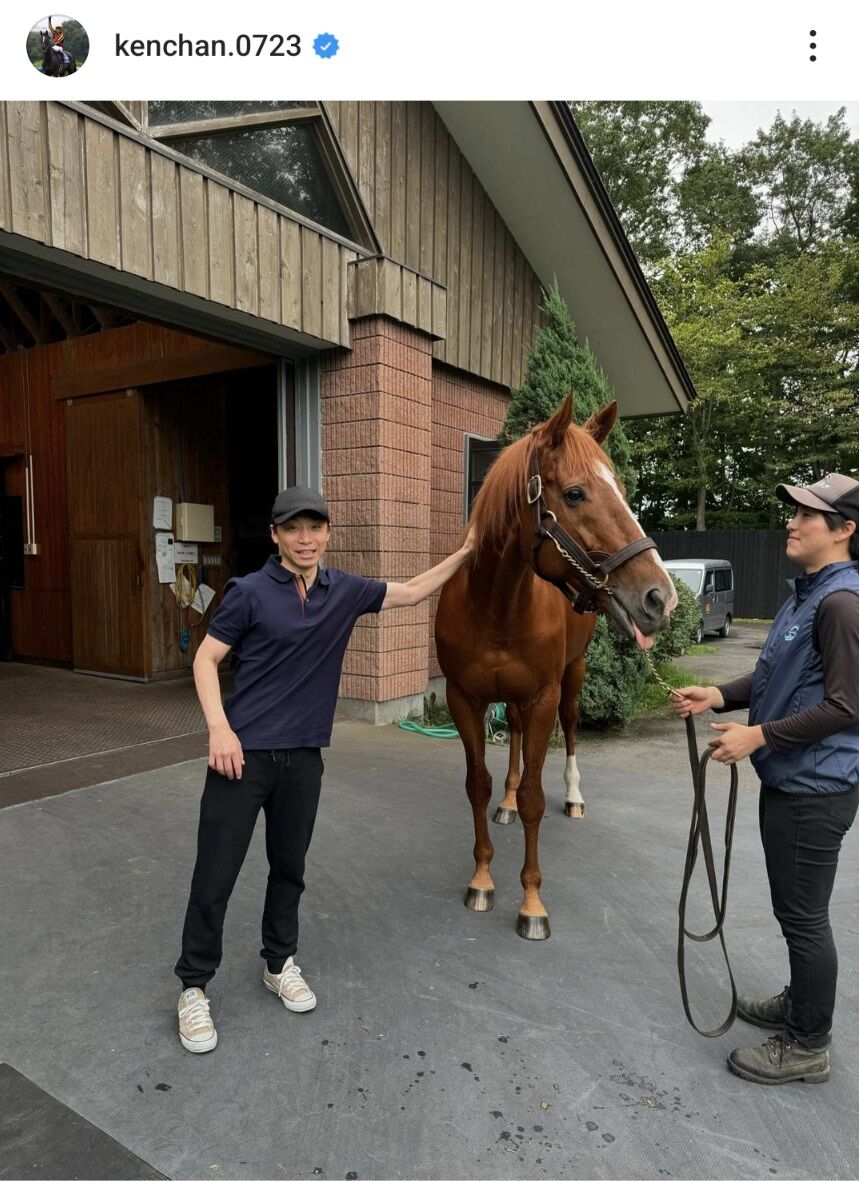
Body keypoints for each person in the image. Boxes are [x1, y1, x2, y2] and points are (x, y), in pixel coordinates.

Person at [175, 486, 474, 1052]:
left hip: (303, 759)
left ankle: (278, 963)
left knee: (289, 869)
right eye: (293, 529)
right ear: (275, 536)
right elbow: (206, 658)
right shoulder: (249, 592)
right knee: (215, 874)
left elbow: (411, 593)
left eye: (315, 528)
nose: (305, 539)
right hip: (242, 757)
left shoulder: (345, 591)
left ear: (328, 534)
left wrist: (467, 551)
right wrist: (219, 728)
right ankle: (193, 987)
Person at [672, 472, 859, 1085]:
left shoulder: (840, 604)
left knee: (804, 917)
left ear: (845, 530)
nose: (792, 522)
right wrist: (717, 695)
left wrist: (759, 737)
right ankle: (799, 1004)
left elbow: (847, 707)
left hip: (817, 788)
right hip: (794, 781)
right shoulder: (805, 596)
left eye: (808, 515)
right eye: (794, 512)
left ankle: (808, 1044)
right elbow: (774, 676)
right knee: (793, 911)